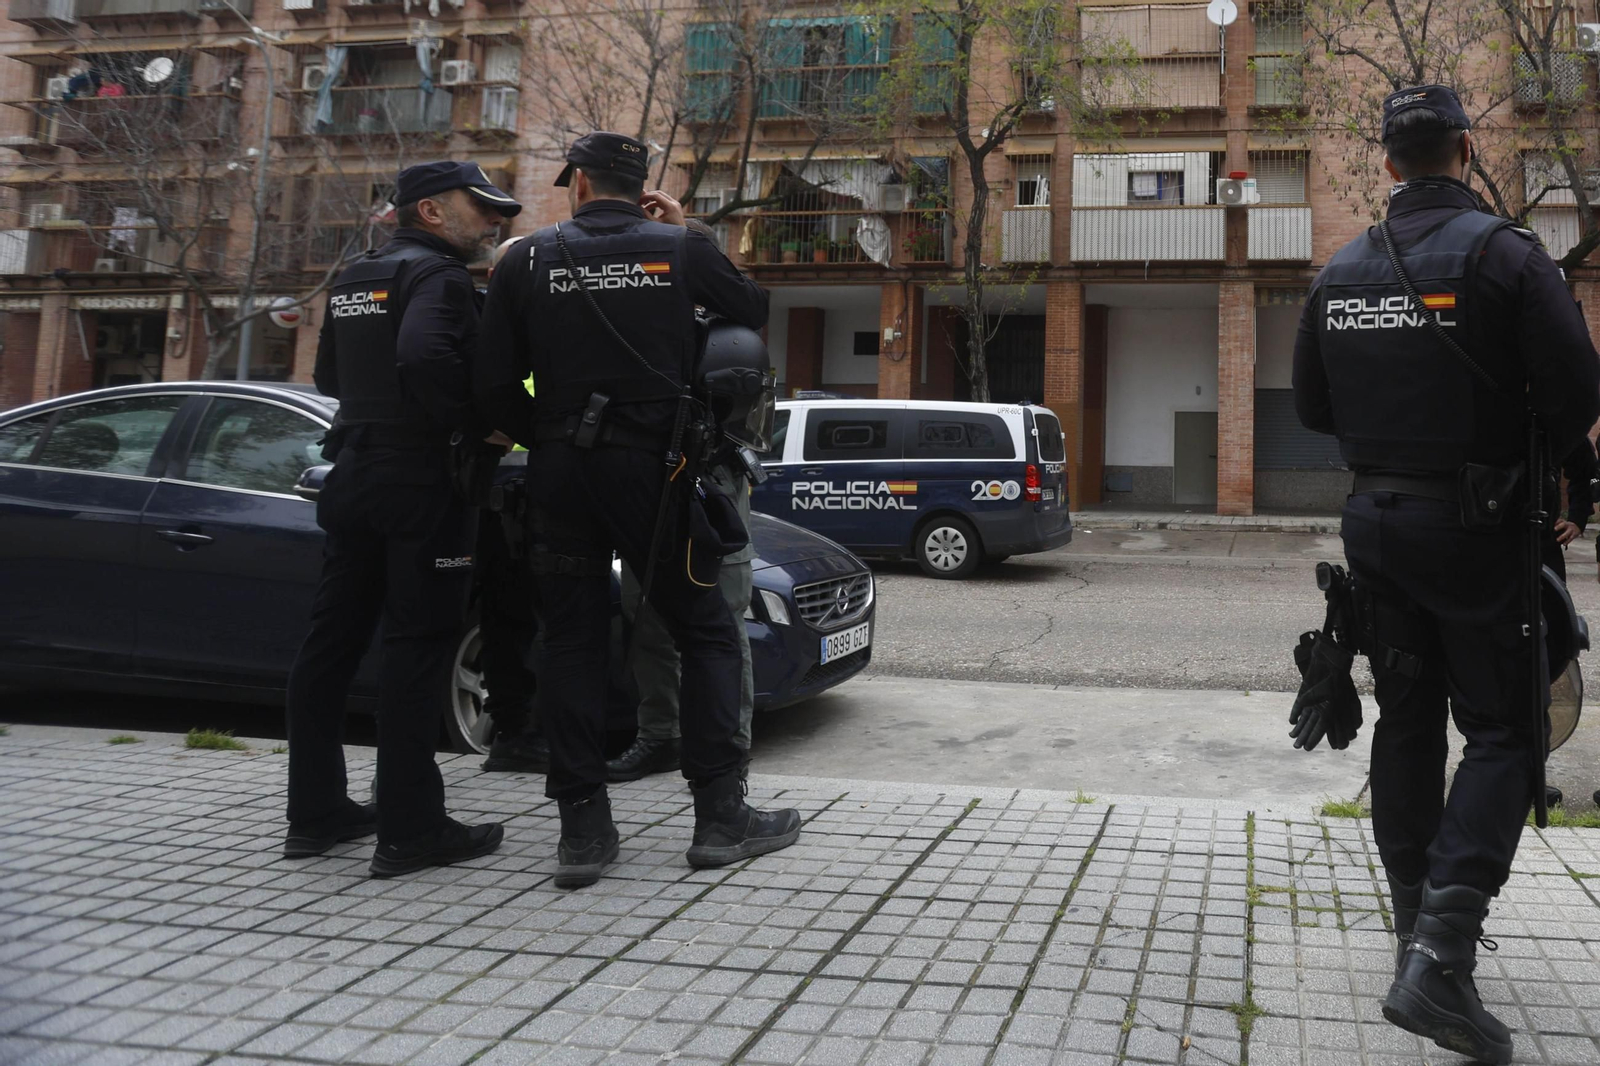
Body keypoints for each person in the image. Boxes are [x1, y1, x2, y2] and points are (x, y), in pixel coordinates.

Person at [1293, 86, 1600, 1064]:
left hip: (1373, 530)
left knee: (1407, 720)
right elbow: (1577, 391)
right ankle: (1438, 957)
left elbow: (1308, 406)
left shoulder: (1339, 270)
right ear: (1465, 150)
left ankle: (1412, 929)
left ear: (1387, 164)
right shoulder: (1504, 256)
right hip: (1475, 533)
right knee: (1506, 730)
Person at [476, 131, 801, 889]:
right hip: (659, 472)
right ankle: (721, 818)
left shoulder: (523, 258)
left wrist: (555, 438)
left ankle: (582, 833)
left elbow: (491, 385)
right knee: (708, 632)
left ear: (581, 184)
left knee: (572, 642)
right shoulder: (678, 248)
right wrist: (683, 233)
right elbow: (750, 309)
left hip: (560, 473)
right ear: (640, 184)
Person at [284, 161, 521, 878]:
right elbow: (424, 356)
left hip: (355, 473)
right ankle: (412, 829)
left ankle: (316, 815)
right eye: (478, 208)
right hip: (423, 481)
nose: (492, 221)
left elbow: (327, 379)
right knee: (418, 645)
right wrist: (476, 426)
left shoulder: (359, 274)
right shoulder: (441, 277)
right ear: (430, 212)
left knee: (332, 643)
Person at [609, 223, 758, 783]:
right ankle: (660, 736)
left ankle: (728, 750)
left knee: (724, 620)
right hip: (645, 478)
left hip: (714, 480)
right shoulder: (634, 322)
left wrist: (696, 232)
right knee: (643, 611)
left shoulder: (729, 330)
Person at [477, 237, 549, 774]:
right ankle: (515, 730)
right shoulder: (484, 320)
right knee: (507, 620)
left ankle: (524, 730)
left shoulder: (547, 317)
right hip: (498, 494)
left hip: (537, 487)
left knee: (534, 621)